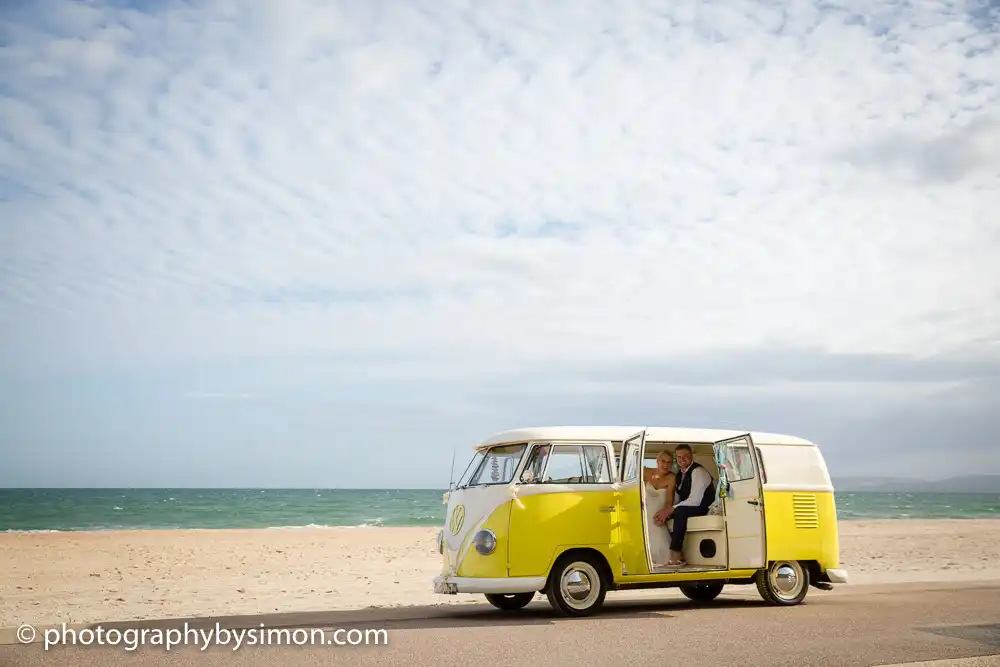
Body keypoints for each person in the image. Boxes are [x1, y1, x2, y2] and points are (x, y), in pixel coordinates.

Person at [657, 444, 714, 566]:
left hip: (704, 507)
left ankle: (676, 554)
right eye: (679, 457)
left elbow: (695, 500)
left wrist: (672, 509)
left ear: (691, 455)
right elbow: (679, 498)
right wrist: (666, 512)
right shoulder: (679, 475)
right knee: (668, 514)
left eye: (685, 456)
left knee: (680, 511)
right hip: (690, 506)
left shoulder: (698, 471)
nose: (682, 459)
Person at [642, 450, 676, 567]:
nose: (666, 465)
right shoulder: (646, 472)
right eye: (663, 461)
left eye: (669, 462)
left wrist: (664, 514)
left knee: (661, 545)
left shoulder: (671, 478)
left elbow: (669, 501)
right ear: (657, 461)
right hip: (645, 512)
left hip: (659, 514)